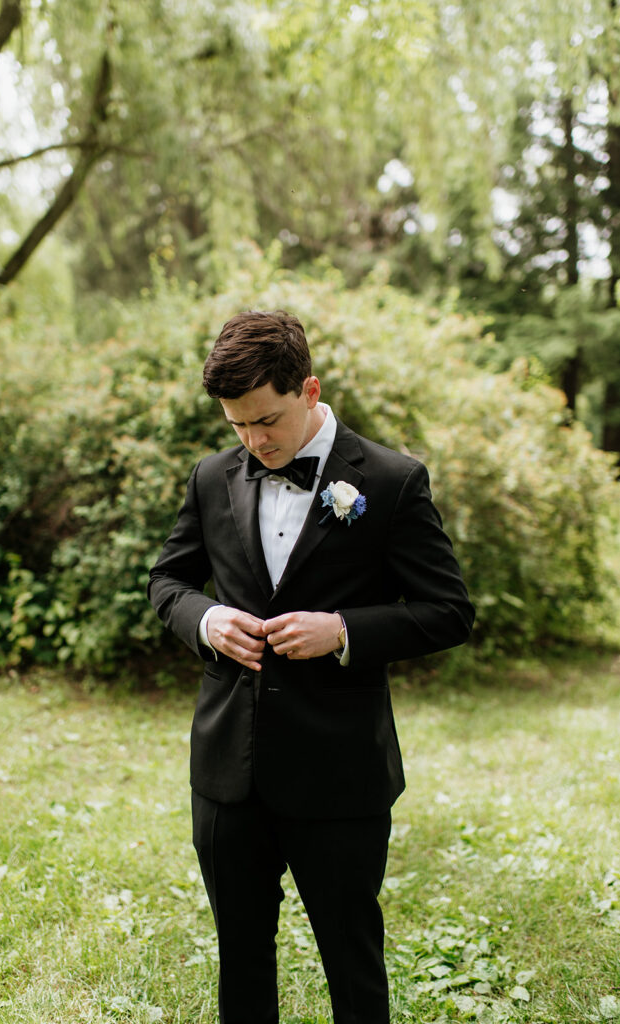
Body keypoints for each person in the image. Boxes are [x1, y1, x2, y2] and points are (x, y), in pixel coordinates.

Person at [148, 310, 474, 1024]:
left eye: (266, 420)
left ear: (310, 389)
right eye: (236, 425)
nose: (253, 441)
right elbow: (165, 583)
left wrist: (344, 630)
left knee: (351, 961)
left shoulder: (389, 480)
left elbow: (449, 609)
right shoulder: (211, 478)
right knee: (241, 955)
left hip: (339, 774)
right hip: (227, 770)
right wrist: (205, 620)